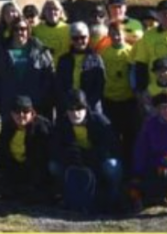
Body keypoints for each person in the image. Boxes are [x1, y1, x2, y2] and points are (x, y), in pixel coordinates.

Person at [54, 89, 122, 215]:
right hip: (74, 162)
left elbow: (113, 147)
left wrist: (91, 155)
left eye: (79, 109)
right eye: (71, 109)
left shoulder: (100, 121)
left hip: (98, 160)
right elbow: (55, 148)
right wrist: (69, 155)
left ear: (86, 108)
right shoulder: (62, 123)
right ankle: (65, 196)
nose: (75, 113)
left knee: (112, 166)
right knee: (53, 166)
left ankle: (114, 197)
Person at [0, 15, 56, 121]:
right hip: (9, 105)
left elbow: (49, 75)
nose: (19, 32)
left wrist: (44, 97)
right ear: (11, 30)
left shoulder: (40, 50)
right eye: (16, 29)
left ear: (28, 30)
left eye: (23, 29)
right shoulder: (0, 51)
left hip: (36, 104)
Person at [0, 95, 55, 203]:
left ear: (32, 112)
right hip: (15, 167)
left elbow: (43, 157)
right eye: (17, 112)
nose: (21, 115)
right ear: (11, 114)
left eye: (25, 111)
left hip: (36, 169)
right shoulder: (8, 127)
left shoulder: (42, 127)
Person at [100, 23, 139, 173]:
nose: (116, 37)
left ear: (124, 34)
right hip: (110, 100)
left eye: (118, 33)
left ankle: (131, 169)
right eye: (113, 34)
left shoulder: (131, 51)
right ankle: (117, 168)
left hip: (128, 100)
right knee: (113, 136)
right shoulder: (104, 53)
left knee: (130, 136)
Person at [56, 22, 106, 114]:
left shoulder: (96, 59)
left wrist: (86, 106)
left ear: (88, 38)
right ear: (71, 39)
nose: (79, 41)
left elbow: (100, 86)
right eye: (75, 38)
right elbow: (59, 86)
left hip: (92, 108)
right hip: (69, 109)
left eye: (83, 37)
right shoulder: (63, 60)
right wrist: (68, 104)